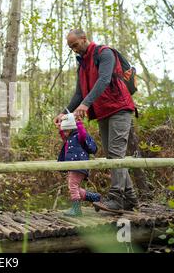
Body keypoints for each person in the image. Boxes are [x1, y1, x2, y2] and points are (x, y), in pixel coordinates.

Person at [53, 29, 139, 213]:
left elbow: (104, 79)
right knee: (113, 156)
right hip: (103, 112)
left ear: (84, 39)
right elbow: (79, 93)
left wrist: (85, 104)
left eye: (75, 45)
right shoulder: (82, 65)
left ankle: (116, 198)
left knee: (116, 154)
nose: (74, 49)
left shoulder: (104, 53)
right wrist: (64, 113)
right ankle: (130, 198)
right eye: (70, 47)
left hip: (120, 108)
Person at [57, 113, 101, 216]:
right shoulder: (69, 138)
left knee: (72, 186)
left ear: (72, 129)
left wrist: (79, 123)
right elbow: (63, 135)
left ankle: (76, 210)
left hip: (78, 165)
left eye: (67, 130)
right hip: (73, 166)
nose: (65, 133)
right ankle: (94, 197)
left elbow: (83, 135)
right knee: (74, 187)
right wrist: (60, 126)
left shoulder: (79, 137)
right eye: (64, 131)